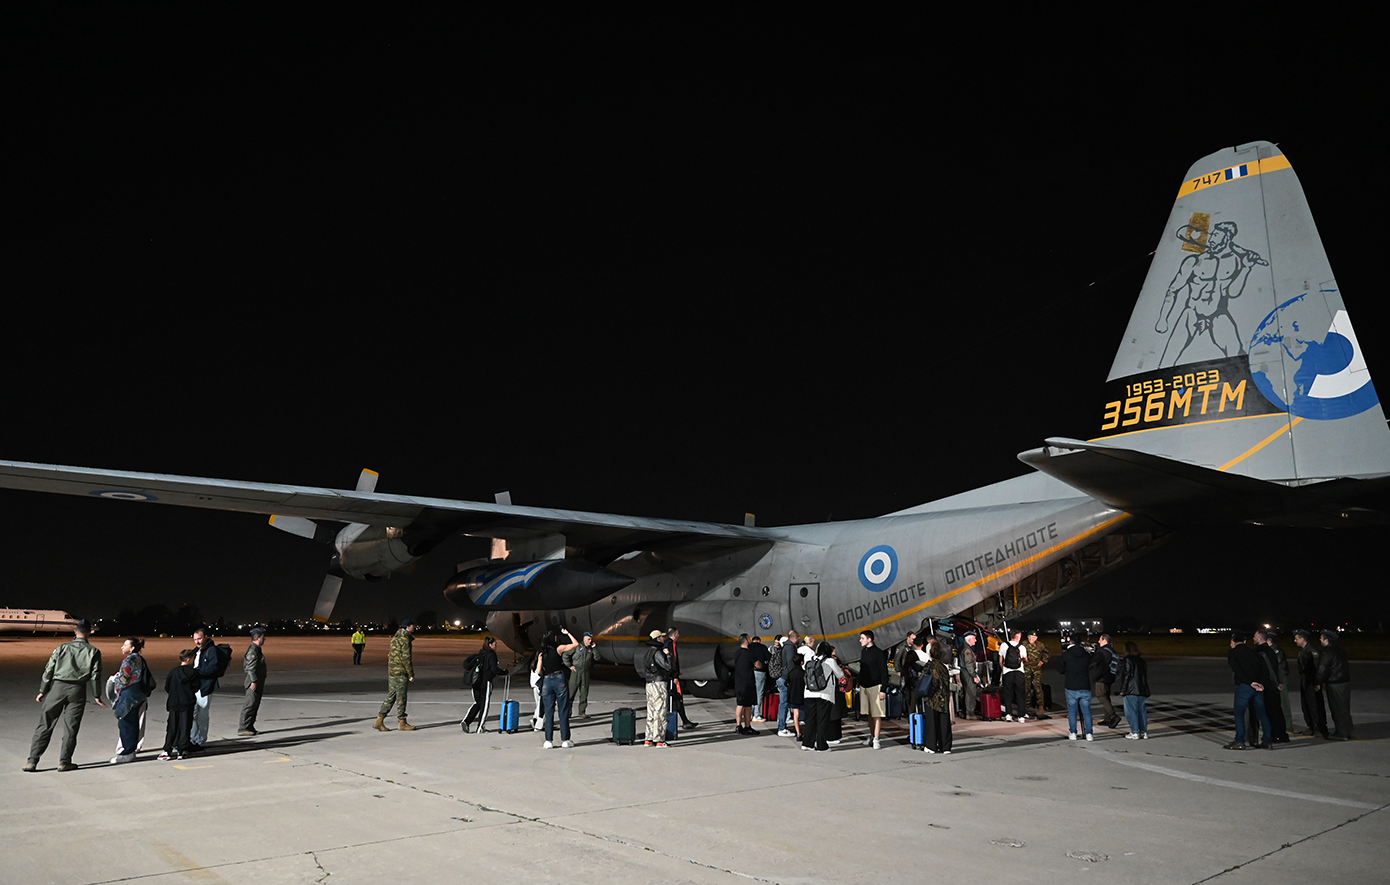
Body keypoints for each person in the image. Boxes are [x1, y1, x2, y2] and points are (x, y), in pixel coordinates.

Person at [25, 619, 104, 772]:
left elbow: (49, 670)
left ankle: (32, 761)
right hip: (78, 690)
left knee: (45, 724)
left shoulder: (61, 648)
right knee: (71, 728)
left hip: (58, 688)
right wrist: (97, 695)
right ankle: (64, 761)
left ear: (75, 632)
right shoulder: (93, 651)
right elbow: (95, 676)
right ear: (89, 632)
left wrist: (43, 690)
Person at [1226, 632, 1273, 750]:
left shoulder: (1233, 653)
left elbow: (1238, 671)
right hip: (1258, 687)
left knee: (1239, 714)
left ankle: (1240, 740)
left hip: (1245, 686)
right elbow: (1265, 671)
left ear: (1233, 641)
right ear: (1245, 642)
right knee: (1262, 714)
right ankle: (1267, 741)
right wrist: (1260, 684)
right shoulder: (1255, 653)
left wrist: (1250, 682)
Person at [110, 637, 152, 764]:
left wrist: (113, 679)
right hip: (138, 695)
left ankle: (127, 752)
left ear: (132, 648)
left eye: (125, 645)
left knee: (126, 722)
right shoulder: (140, 659)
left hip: (129, 695)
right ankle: (131, 751)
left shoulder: (129, 660)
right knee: (133, 723)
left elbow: (124, 679)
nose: (122, 647)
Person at [537, 627, 580, 748]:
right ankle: (565, 739)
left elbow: (538, 671)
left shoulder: (542, 653)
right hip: (559, 679)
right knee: (563, 710)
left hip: (546, 681)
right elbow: (575, 644)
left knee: (549, 712)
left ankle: (548, 741)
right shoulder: (559, 648)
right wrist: (568, 633)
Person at [374, 619, 417, 732]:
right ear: (408, 627)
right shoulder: (405, 639)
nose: (415, 627)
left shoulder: (395, 638)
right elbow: (406, 658)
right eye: (413, 625)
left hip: (393, 671)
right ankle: (402, 722)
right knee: (401, 697)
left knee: (392, 696)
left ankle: (379, 720)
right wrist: (410, 673)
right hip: (400, 672)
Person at [800, 641, 843, 752]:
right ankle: (821, 745)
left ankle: (807, 744)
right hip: (824, 694)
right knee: (822, 720)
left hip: (809, 693)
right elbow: (840, 674)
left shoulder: (810, 660)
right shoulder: (830, 661)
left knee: (810, 719)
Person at [160, 649, 199, 760]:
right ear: (189, 659)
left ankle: (167, 749)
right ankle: (182, 750)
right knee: (185, 726)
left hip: (173, 703)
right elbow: (196, 687)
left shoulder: (173, 672)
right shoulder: (192, 672)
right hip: (187, 703)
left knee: (172, 726)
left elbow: (167, 687)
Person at [1251, 629, 1288, 744]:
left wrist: (1276, 683)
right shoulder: (1269, 650)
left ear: (1259, 638)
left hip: (1268, 685)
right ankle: (1281, 734)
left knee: (1271, 712)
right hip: (1271, 684)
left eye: (1255, 636)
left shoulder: (1262, 652)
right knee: (1276, 711)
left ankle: (1276, 734)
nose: (1253, 638)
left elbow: (1271, 670)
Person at [189, 626, 222, 752]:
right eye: (195, 639)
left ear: (205, 637)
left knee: (202, 714)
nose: (197, 641)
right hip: (196, 686)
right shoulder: (197, 650)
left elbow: (213, 668)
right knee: (193, 713)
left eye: (199, 639)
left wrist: (197, 672)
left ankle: (200, 740)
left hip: (205, 686)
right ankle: (192, 738)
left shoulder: (211, 650)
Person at [1318, 630, 1354, 740]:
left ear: (1326, 639)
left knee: (1337, 709)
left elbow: (1322, 669)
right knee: (1345, 708)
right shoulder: (1341, 651)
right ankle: (1349, 731)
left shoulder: (1327, 652)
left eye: (1321, 637)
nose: (1320, 639)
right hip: (1345, 682)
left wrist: (1317, 682)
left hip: (1334, 684)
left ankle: (1341, 734)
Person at [463, 636, 504, 733]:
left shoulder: (480, 653)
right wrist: (503, 672)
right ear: (490, 645)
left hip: (475, 682)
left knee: (477, 703)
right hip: (485, 683)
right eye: (495, 644)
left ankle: (466, 721)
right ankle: (480, 727)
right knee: (484, 705)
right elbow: (494, 669)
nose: (496, 646)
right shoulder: (491, 655)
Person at [1057, 633, 1093, 741]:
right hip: (1084, 685)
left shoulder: (1066, 655)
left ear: (1070, 641)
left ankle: (1073, 732)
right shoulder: (1086, 655)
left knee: (1072, 711)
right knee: (1086, 711)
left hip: (1071, 686)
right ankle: (1089, 733)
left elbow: (1061, 670)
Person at [856, 630, 889, 749]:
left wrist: (883, 689)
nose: (860, 640)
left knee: (877, 713)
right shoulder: (863, 652)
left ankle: (876, 738)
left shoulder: (879, 653)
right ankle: (871, 735)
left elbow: (884, 672)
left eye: (862, 638)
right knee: (868, 713)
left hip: (876, 685)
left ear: (869, 639)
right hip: (864, 685)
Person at [1293, 630, 1328, 738]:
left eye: (1296, 638)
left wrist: (1317, 683)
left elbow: (1318, 669)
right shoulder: (1303, 650)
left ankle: (1319, 728)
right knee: (1306, 704)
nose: (1295, 641)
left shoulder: (1313, 651)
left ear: (1303, 638)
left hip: (1312, 682)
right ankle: (1311, 726)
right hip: (1305, 680)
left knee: (1315, 705)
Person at [640, 629, 673, 747]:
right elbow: (667, 666)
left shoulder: (647, 653)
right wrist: (668, 655)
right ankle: (659, 740)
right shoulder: (657, 652)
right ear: (658, 639)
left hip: (649, 683)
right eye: (662, 637)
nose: (663, 639)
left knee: (651, 711)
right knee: (660, 711)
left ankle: (648, 738)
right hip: (658, 684)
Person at [922, 638, 953, 755]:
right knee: (944, 722)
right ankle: (946, 747)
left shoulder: (929, 666)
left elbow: (923, 681)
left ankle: (931, 745)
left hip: (932, 698)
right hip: (943, 697)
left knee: (932, 722)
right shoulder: (943, 667)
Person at [664, 628, 699, 729]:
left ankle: (685, 720)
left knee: (676, 699)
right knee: (677, 698)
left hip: (670, 675)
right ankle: (684, 721)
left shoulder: (667, 644)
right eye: (678, 634)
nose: (679, 636)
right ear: (674, 635)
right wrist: (675, 675)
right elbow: (672, 660)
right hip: (671, 677)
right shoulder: (671, 645)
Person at [1116, 641, 1150, 739]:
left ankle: (1135, 731)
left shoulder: (1128, 660)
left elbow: (1127, 675)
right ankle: (1144, 731)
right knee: (1141, 711)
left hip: (1131, 689)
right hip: (1142, 689)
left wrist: (1123, 689)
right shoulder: (1141, 661)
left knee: (1131, 711)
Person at [239, 627, 268, 736]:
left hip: (257, 680)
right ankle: (243, 727)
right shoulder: (253, 650)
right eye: (263, 638)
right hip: (253, 681)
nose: (264, 640)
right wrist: (254, 681)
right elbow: (251, 667)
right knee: (250, 704)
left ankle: (250, 726)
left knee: (255, 704)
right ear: (257, 638)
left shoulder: (256, 649)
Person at [1089, 633, 1121, 729]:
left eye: (1100, 639)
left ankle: (1113, 716)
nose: (1098, 641)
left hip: (1102, 678)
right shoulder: (1111, 650)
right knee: (1106, 696)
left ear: (1105, 640)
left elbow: (1094, 662)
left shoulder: (1102, 652)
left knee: (1100, 696)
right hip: (1110, 677)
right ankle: (1107, 718)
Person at [564, 631, 598, 719]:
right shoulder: (577, 646)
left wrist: (594, 648)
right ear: (584, 638)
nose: (590, 641)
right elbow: (566, 655)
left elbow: (597, 657)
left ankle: (582, 712)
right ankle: (568, 712)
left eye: (591, 639)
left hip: (585, 672)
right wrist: (569, 665)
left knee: (584, 693)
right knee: (571, 693)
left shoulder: (591, 649)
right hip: (576, 671)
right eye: (588, 639)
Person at [998, 628, 1028, 721]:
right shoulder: (1021, 647)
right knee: (1020, 694)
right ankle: (1021, 716)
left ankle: (1008, 714)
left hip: (1007, 672)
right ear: (1018, 637)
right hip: (1019, 672)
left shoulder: (1004, 645)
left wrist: (1004, 669)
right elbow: (1025, 659)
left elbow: (1000, 660)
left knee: (1008, 693)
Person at [775, 629, 799, 735]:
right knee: (784, 704)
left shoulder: (786, 646)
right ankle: (782, 728)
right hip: (785, 678)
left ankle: (782, 726)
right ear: (795, 638)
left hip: (782, 677)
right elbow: (790, 663)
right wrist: (792, 677)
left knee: (784, 703)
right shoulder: (790, 647)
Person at [733, 634, 758, 735]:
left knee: (739, 704)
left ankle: (738, 725)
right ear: (747, 641)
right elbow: (758, 664)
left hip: (738, 681)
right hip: (748, 682)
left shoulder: (737, 653)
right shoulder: (749, 653)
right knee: (748, 705)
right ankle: (747, 726)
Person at [1024, 629, 1051, 719]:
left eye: (1033, 637)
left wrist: (1043, 661)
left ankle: (1040, 706)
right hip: (1026, 668)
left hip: (1036, 669)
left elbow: (1047, 653)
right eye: (1030, 637)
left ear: (1036, 638)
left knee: (1038, 688)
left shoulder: (1040, 645)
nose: (1031, 639)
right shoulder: (1024, 644)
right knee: (1026, 687)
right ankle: (1026, 707)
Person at [958, 633, 980, 720]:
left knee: (966, 692)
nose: (976, 640)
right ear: (969, 640)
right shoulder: (967, 650)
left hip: (964, 672)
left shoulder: (963, 647)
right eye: (974, 639)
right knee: (970, 693)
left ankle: (964, 712)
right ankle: (970, 713)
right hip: (968, 673)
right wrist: (974, 675)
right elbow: (969, 664)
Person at [749, 636, 771, 722]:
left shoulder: (749, 647)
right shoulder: (762, 647)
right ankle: (757, 714)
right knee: (759, 693)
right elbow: (769, 657)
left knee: (751, 692)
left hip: (750, 672)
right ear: (759, 641)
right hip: (760, 672)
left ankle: (750, 713)